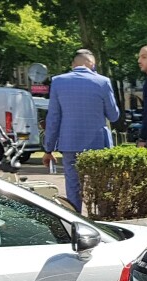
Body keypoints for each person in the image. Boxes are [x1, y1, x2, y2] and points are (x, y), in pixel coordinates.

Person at [42, 49, 120, 213]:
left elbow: (53, 118)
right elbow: (113, 116)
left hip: (70, 142)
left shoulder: (58, 82)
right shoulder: (103, 81)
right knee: (102, 184)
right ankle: (103, 218)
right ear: (92, 64)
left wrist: (48, 149)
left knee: (73, 185)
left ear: (73, 65)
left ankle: (75, 219)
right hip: (99, 144)